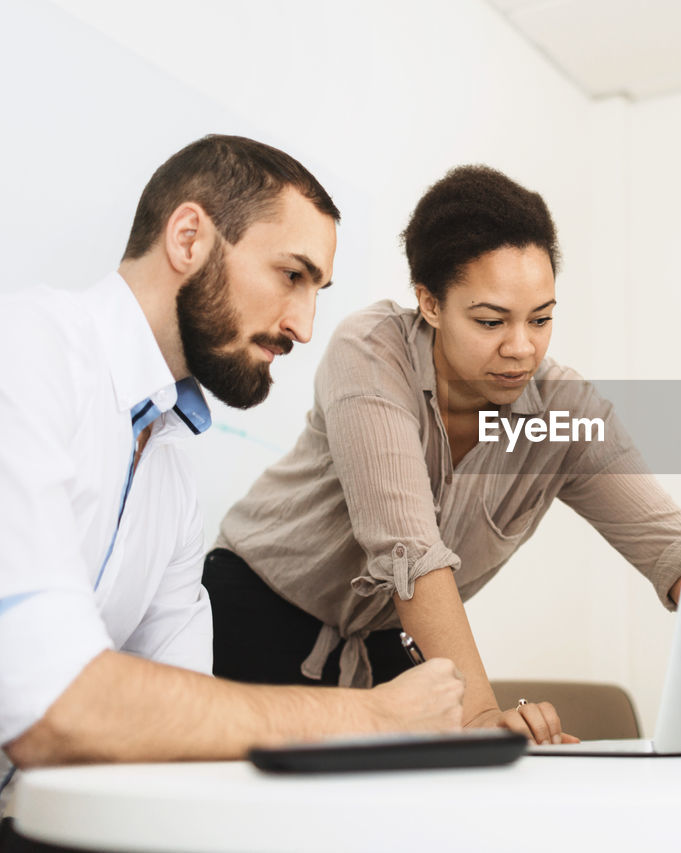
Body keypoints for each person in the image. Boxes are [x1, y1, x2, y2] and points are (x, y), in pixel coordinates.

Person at [0, 136, 465, 808]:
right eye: (291, 275)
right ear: (188, 238)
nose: (305, 326)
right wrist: (372, 718)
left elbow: (188, 721)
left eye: (318, 291)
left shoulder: (169, 464)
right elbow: (53, 705)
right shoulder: (27, 354)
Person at [204, 164, 681, 744]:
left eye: (542, 319)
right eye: (491, 321)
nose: (522, 348)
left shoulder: (565, 415)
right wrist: (483, 718)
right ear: (430, 303)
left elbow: (675, 548)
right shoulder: (373, 351)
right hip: (258, 605)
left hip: (388, 638)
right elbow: (408, 550)